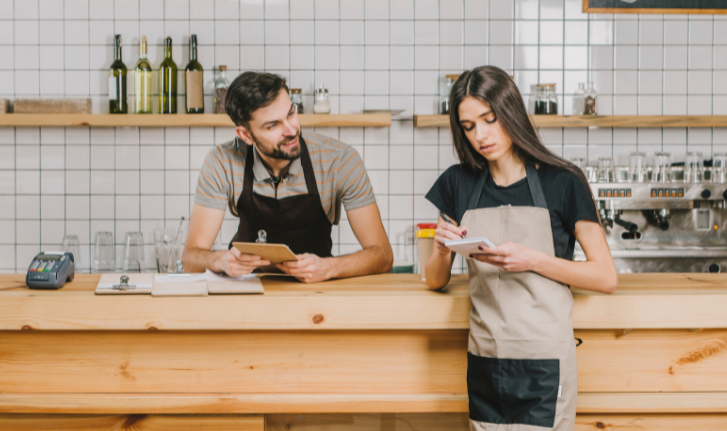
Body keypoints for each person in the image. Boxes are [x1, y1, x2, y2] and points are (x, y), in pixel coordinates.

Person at [424, 66, 617, 431]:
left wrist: (531, 260)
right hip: (487, 356)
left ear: (510, 111)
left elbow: (605, 276)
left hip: (544, 360)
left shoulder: (563, 182)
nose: (480, 136)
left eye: (489, 120)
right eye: (468, 127)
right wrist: (442, 249)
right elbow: (435, 280)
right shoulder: (457, 183)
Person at [182, 72, 392, 283]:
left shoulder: (340, 160)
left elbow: (383, 256)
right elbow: (190, 259)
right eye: (273, 125)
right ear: (246, 135)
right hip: (247, 292)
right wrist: (220, 261)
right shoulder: (221, 161)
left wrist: (330, 268)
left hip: (317, 294)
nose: (291, 131)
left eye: (291, 113)